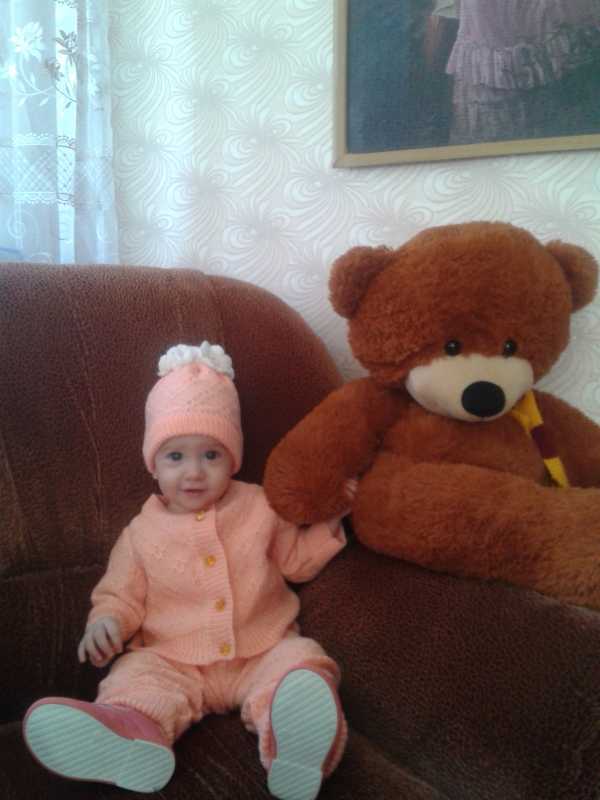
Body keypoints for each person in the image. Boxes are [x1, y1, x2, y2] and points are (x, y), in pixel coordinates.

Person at [22, 342, 350, 799]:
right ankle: (130, 734)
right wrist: (107, 623)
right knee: (136, 677)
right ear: (153, 464)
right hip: (173, 660)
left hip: (262, 650)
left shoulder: (259, 505)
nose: (194, 472)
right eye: (175, 457)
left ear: (233, 458)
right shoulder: (140, 533)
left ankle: (293, 739)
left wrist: (332, 520)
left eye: (211, 455)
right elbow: (119, 595)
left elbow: (295, 561)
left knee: (300, 661)